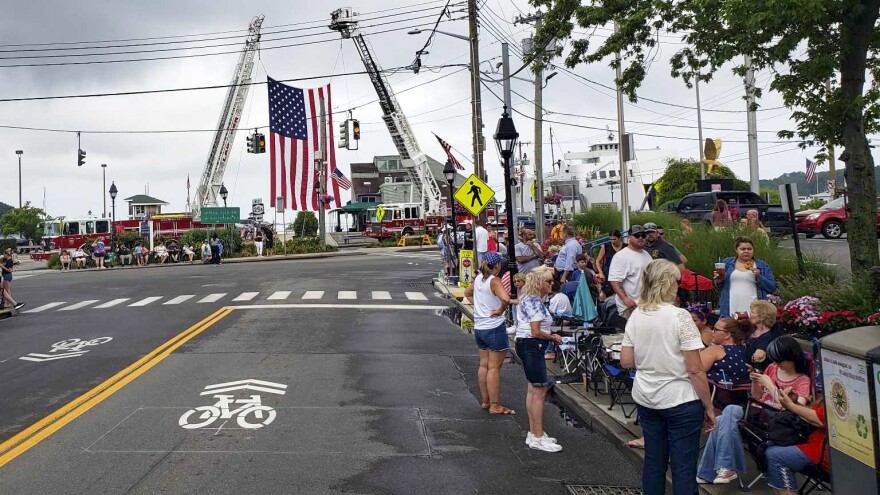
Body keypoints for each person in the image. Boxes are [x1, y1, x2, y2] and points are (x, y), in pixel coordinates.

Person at [620, 259, 715, 494]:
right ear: (666, 283)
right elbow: (694, 369)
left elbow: (626, 361)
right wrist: (709, 407)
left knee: (654, 462)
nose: (678, 285)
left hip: (646, 396)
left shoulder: (637, 315)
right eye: (675, 280)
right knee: (683, 468)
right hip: (680, 399)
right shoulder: (680, 317)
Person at [696, 335, 811, 484]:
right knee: (725, 416)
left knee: (724, 416)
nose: (776, 364)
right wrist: (755, 381)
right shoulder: (772, 368)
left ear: (792, 358)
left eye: (779, 360)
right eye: (774, 360)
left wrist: (770, 385)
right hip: (755, 413)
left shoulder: (803, 381)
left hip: (777, 421)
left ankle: (712, 472)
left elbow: (794, 409)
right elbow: (757, 396)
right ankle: (724, 469)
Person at [515, 266, 563, 453]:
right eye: (549, 281)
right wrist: (552, 337)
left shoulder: (529, 298)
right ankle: (537, 435)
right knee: (539, 390)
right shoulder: (534, 301)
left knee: (533, 389)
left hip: (528, 344)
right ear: (539, 283)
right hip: (533, 344)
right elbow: (535, 331)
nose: (552, 284)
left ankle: (535, 432)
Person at [463, 252, 516, 416]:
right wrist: (499, 310)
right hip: (493, 327)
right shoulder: (495, 281)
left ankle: (486, 401)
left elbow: (467, 293)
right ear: (498, 265)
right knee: (494, 368)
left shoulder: (478, 278)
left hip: (480, 328)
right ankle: (495, 405)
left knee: (484, 365)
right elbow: (506, 299)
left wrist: (480, 308)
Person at [763, 386, 827, 495]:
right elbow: (816, 413)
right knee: (768, 446)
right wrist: (795, 403)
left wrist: (791, 406)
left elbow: (821, 420)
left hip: (828, 452)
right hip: (815, 443)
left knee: (776, 456)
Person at [715, 236, 778, 317]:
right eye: (743, 249)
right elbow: (719, 286)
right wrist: (719, 280)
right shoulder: (726, 264)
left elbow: (772, 288)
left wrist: (759, 277)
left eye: (749, 249)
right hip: (730, 307)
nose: (746, 251)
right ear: (736, 250)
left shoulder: (763, 266)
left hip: (754, 309)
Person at [608, 225, 653, 319]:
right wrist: (625, 299)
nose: (640, 238)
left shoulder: (646, 254)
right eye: (637, 235)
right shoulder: (621, 256)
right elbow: (615, 281)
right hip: (631, 306)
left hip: (646, 304)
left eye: (643, 235)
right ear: (629, 237)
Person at [701, 318, 752, 387]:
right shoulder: (744, 350)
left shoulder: (716, 350)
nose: (712, 332)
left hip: (716, 394)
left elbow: (695, 370)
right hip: (741, 395)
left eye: (716, 329)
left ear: (727, 335)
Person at [746, 300, 781, 371]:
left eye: (752, 312)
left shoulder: (768, 336)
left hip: (759, 371)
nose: (749, 314)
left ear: (762, 317)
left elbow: (757, 357)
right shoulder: (751, 329)